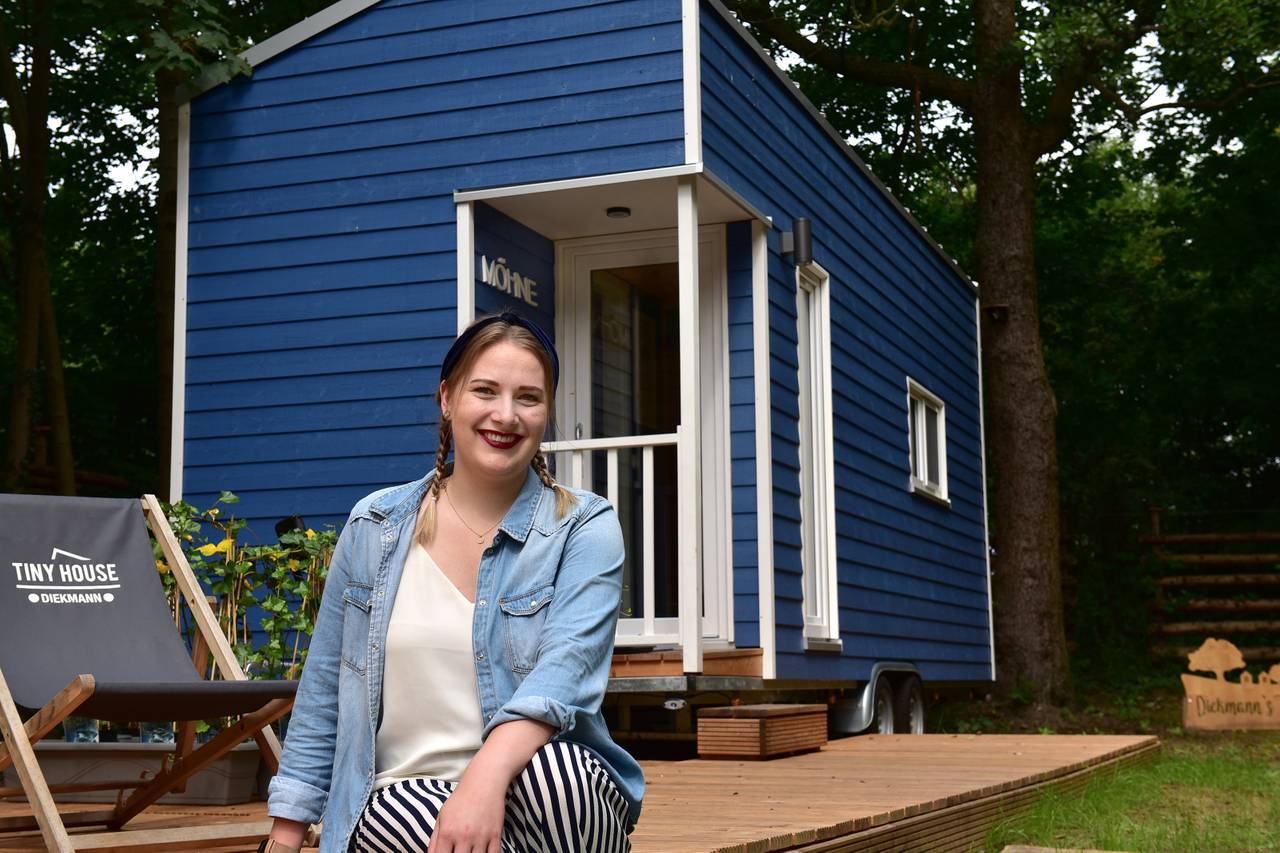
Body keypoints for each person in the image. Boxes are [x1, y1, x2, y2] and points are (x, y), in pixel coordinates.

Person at [259, 312, 644, 853]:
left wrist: (483, 779)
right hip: (401, 799)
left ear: (547, 411)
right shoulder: (374, 525)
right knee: (398, 813)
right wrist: (285, 838)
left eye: (528, 398)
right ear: (447, 398)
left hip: (545, 798)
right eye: (484, 391)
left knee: (558, 776)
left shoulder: (582, 525)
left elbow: (564, 674)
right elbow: (324, 688)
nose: (505, 415)